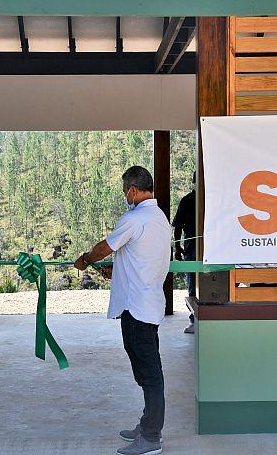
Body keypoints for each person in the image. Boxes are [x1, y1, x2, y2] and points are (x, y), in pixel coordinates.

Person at [75, 166, 170, 455]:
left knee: (150, 375)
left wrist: (85, 260)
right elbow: (140, 258)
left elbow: (104, 248)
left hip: (136, 309)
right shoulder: (159, 218)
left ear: (132, 190)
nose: (125, 197)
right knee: (146, 372)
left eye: (124, 192)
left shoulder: (134, 218)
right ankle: (147, 424)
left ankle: (151, 438)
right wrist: (116, 270)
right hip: (147, 304)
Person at [172, 173, 196, 334]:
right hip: (191, 249)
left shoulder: (212, 199)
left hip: (209, 250)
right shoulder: (187, 201)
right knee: (192, 285)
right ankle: (195, 319)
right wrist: (178, 247)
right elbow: (178, 226)